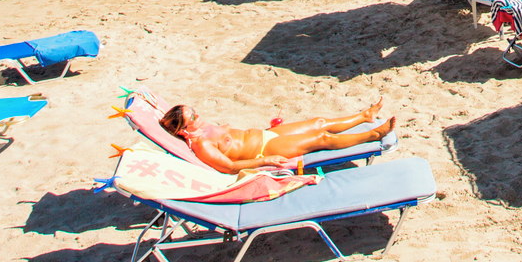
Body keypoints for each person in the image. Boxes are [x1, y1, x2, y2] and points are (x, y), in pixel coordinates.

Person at [159, 101, 395, 174]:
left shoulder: (202, 128)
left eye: (195, 112)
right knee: (320, 138)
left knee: (318, 123)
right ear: (183, 130)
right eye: (194, 117)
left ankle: (365, 116)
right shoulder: (202, 145)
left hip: (266, 134)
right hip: (266, 150)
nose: (199, 116)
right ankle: (374, 134)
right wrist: (264, 162)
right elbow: (230, 167)